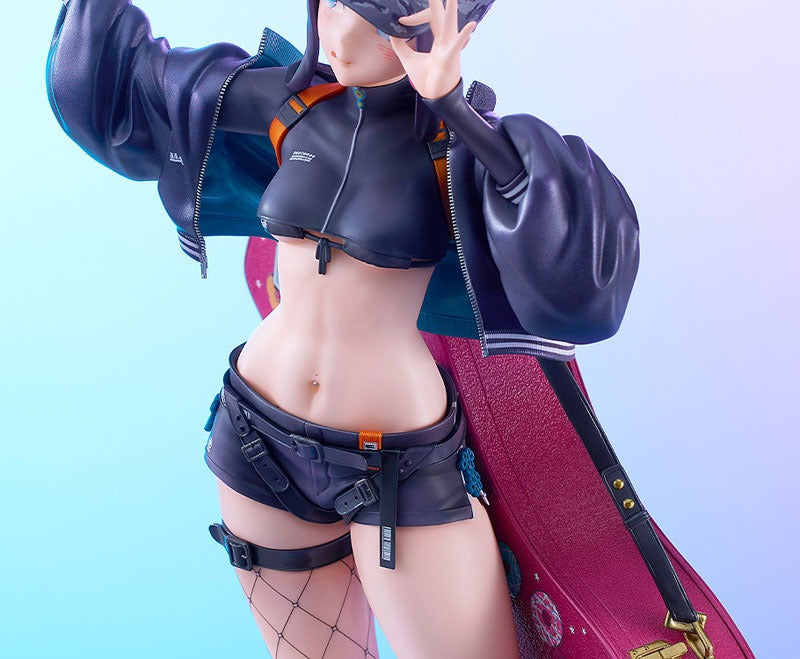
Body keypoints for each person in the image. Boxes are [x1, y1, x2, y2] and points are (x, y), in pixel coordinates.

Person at [46, 0, 639, 656]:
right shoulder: (295, 104)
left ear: (456, 29)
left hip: (397, 459)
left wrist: (452, 105)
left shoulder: (460, 147)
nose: (338, 27)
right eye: (330, 1)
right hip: (257, 433)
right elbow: (116, 90)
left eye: (376, 16)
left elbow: (583, 288)